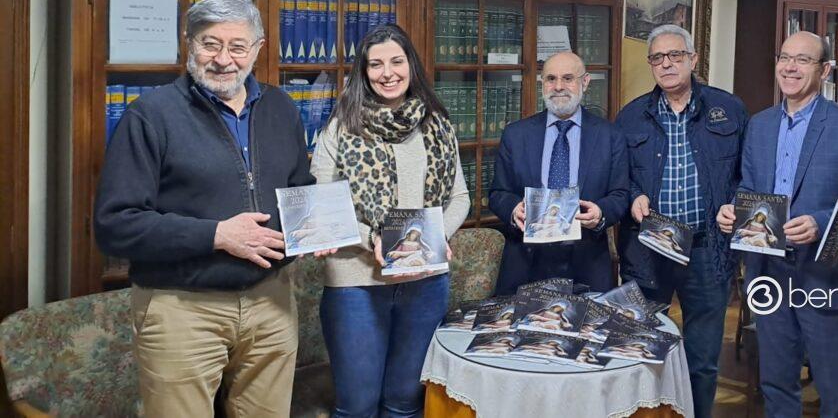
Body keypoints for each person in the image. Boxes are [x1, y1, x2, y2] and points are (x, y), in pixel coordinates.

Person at [94, 0, 313, 417]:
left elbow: (299, 189)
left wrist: (318, 229)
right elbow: (114, 224)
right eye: (210, 44)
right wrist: (217, 235)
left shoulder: (282, 109)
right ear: (188, 43)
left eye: (237, 46)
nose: (224, 59)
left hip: (272, 303)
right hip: (182, 308)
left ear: (258, 49)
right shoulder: (150, 116)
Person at [311, 23, 471, 418]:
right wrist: (372, 238)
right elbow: (322, 204)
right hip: (356, 283)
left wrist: (435, 236)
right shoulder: (340, 126)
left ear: (411, 65)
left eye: (396, 62)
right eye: (376, 64)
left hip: (426, 281)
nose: (388, 73)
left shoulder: (438, 124)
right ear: (364, 72)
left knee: (405, 402)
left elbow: (460, 198)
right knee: (358, 406)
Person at [720, 31, 838, 418]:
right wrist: (734, 211)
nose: (790, 67)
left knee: (835, 388)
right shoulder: (759, 125)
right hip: (769, 271)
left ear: (824, 70)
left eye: (803, 60)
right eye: (785, 58)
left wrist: (821, 223)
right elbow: (749, 187)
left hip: (824, 275)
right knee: (776, 384)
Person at [615, 24, 748, 418]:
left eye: (675, 55)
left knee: (702, 362)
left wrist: (736, 205)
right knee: (643, 353)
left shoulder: (729, 109)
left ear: (693, 59)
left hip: (708, 251)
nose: (667, 64)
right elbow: (617, 178)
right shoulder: (631, 117)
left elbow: (749, 174)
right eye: (657, 57)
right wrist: (633, 195)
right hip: (648, 251)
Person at [488, 52, 631, 293]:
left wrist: (600, 213)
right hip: (526, 260)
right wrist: (513, 210)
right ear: (542, 82)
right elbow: (498, 193)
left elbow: (620, 194)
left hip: (587, 261)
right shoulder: (516, 134)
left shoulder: (610, 135)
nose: (558, 87)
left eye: (568, 78)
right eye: (551, 79)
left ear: (585, 82)